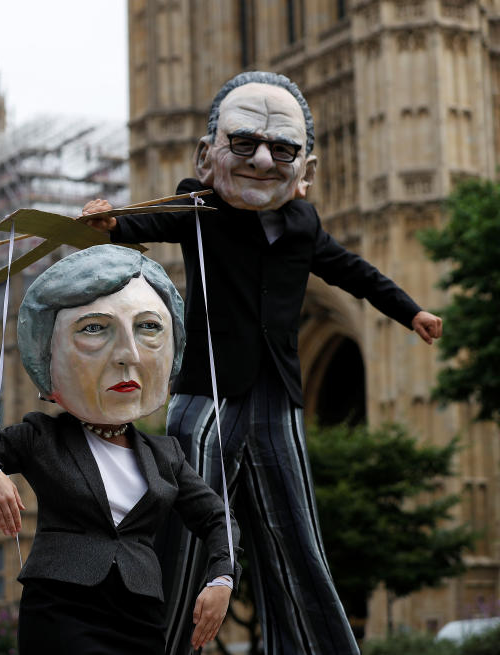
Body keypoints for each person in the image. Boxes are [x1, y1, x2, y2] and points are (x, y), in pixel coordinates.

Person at [82, 71, 443, 655]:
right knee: (186, 524)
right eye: (244, 144)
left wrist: (412, 312)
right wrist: (111, 222)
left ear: (307, 171)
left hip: (277, 394)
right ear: (208, 156)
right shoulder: (200, 207)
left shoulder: (304, 223)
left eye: (283, 149)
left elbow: (354, 272)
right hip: (209, 392)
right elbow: (150, 221)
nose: (263, 159)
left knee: (294, 534)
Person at [0, 244, 240, 654]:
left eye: (148, 328)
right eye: (95, 329)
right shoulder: (41, 437)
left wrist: (222, 578)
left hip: (138, 614)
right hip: (62, 609)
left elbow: (218, 519)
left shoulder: (165, 455)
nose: (127, 356)